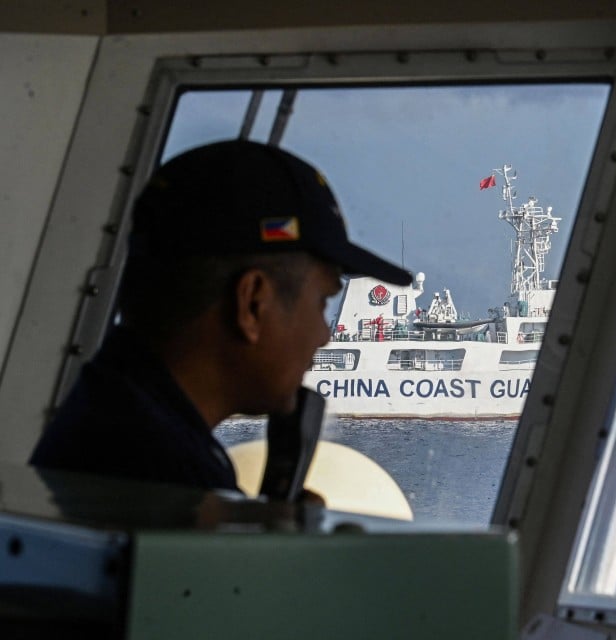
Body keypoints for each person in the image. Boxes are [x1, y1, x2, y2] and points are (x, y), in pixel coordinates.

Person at [30, 140, 412, 492]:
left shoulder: (107, 424)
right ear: (252, 304)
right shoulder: (170, 487)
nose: (324, 335)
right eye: (321, 303)